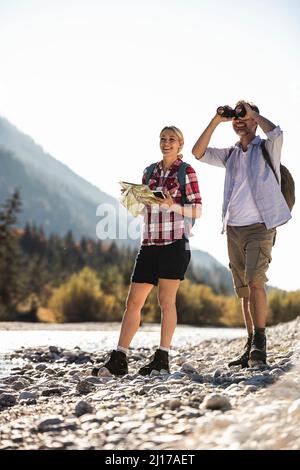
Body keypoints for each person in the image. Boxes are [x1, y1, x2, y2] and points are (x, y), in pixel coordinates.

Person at [92, 126, 202, 376]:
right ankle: (120, 356)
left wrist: (173, 205)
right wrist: (131, 197)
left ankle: (162, 357)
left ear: (180, 144)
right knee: (133, 302)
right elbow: (142, 210)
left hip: (175, 244)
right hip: (149, 244)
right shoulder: (149, 171)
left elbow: (197, 210)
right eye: (163, 139)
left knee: (166, 301)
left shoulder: (187, 171)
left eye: (171, 139)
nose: (166, 143)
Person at [192, 100, 291, 367]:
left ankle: (260, 343)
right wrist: (216, 120)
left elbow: (277, 133)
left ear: (253, 120)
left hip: (261, 225)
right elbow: (198, 152)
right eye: (236, 117)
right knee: (244, 290)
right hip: (233, 227)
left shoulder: (267, 148)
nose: (239, 120)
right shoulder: (231, 154)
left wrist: (254, 115)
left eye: (243, 117)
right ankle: (250, 345)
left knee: (256, 281)